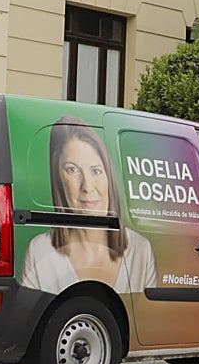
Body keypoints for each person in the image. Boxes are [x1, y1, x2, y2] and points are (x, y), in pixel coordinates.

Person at [20, 116, 157, 295]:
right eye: (72, 170)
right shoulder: (39, 251)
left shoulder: (140, 250)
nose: (87, 186)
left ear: (109, 178)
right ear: (58, 179)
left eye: (96, 171)